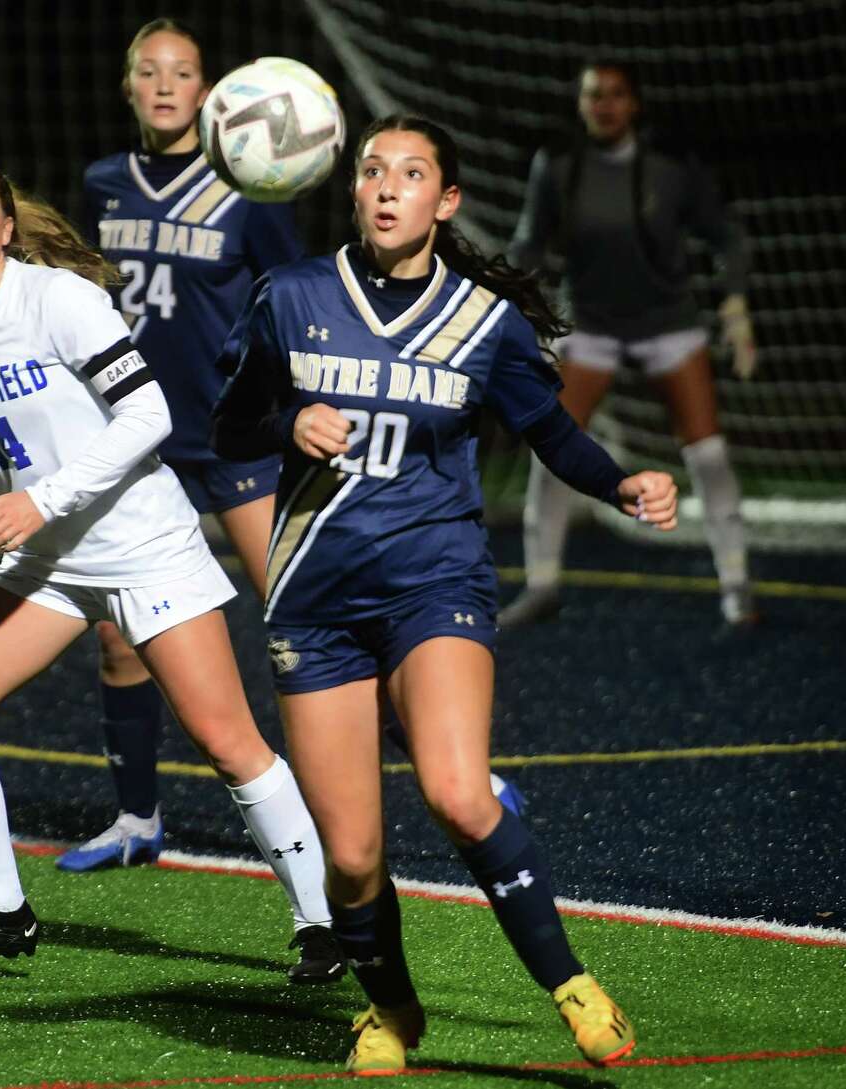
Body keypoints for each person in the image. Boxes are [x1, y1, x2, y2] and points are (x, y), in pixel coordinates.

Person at [211, 115, 679, 1072]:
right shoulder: (291, 295)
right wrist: (290, 418)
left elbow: (550, 431)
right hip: (315, 597)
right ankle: (393, 1009)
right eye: (373, 171)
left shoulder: (483, 321)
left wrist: (621, 481)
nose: (387, 187)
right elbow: (230, 429)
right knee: (348, 858)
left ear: (446, 200)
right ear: (352, 191)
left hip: (436, 581)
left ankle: (570, 984)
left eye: (412, 173)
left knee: (460, 794)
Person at [0, 156, 335, 984]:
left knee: (226, 740)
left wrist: (43, 500)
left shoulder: (59, 300)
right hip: (49, 563)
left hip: (142, 548)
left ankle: (323, 919)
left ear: (3, 226)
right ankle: (3, 912)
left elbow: (151, 411)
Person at [44, 18, 341, 983]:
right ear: (127, 86)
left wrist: (299, 398)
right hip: (134, 443)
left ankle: (358, 799)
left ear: (212, 92)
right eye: (148, 72)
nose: (165, 86)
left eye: (182, 73)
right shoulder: (100, 184)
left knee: (297, 614)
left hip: (233, 438)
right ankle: (137, 818)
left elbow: (293, 297)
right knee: (121, 636)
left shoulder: (251, 186)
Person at [504, 60, 757, 628]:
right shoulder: (558, 167)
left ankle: (736, 583)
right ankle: (542, 584)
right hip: (591, 323)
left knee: (707, 452)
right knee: (552, 443)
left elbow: (726, 236)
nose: (604, 105)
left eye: (616, 95)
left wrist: (735, 305)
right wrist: (506, 298)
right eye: (594, 95)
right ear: (580, 103)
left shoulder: (672, 168)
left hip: (668, 323)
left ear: (634, 104)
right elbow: (528, 243)